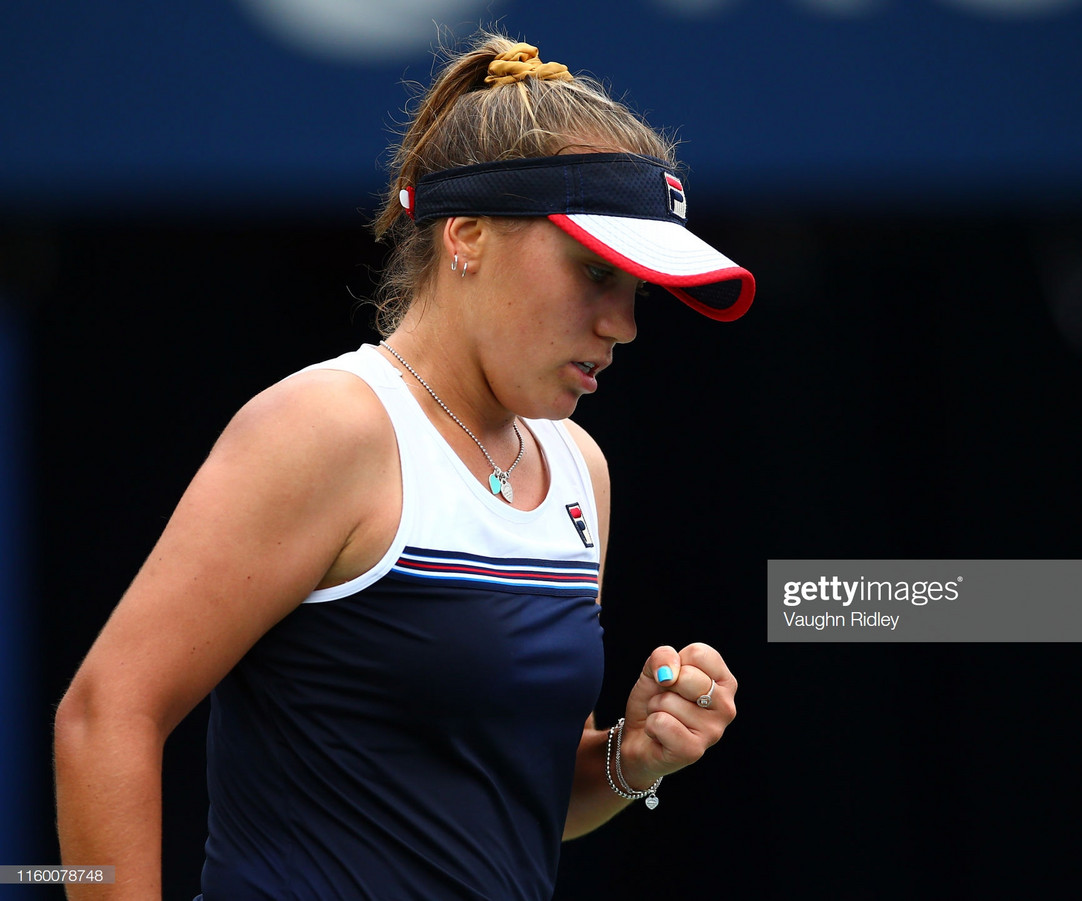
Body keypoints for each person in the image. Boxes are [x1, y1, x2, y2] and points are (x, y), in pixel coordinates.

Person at [54, 32, 755, 901]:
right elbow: (104, 714)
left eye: (636, 289)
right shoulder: (326, 426)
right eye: (592, 271)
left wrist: (626, 757)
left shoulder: (582, 470)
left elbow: (515, 794)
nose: (624, 323)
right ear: (466, 235)